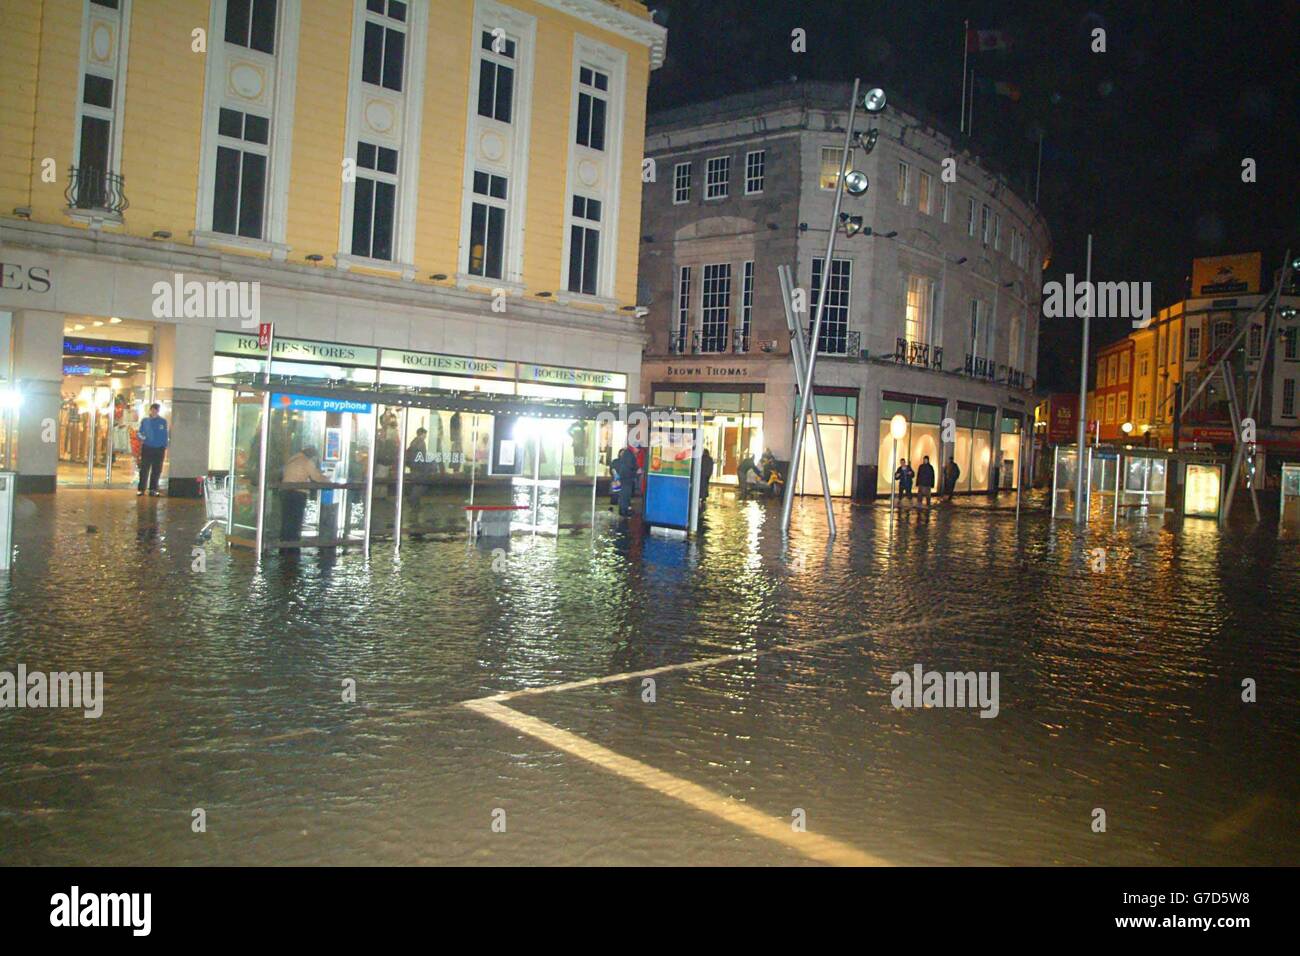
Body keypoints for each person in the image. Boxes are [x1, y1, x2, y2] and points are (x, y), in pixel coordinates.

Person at [280, 446, 328, 544]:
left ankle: (284, 541)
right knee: (296, 518)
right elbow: (316, 476)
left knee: (287, 518)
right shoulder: (306, 462)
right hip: (298, 493)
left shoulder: (292, 459)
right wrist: (328, 480)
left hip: (285, 491)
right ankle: (293, 542)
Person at [136, 403, 168, 497]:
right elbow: (140, 433)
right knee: (144, 469)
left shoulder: (163, 421)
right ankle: (141, 489)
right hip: (147, 447)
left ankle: (153, 489)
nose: (154, 411)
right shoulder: (145, 421)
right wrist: (142, 437)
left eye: (156, 410)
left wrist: (164, 446)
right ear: (150, 410)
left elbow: (165, 434)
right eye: (152, 409)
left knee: (156, 470)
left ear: (158, 411)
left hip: (159, 449)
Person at [612, 446, 638, 516]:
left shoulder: (623, 461)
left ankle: (623, 510)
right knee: (622, 496)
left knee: (623, 496)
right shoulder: (621, 461)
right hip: (622, 480)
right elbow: (613, 470)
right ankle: (623, 511)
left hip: (622, 480)